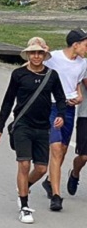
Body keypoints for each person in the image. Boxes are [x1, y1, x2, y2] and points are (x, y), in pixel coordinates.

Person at [0, 37, 67, 224]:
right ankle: (25, 206)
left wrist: (61, 115)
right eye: (32, 52)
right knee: (24, 164)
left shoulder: (52, 75)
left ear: (44, 55)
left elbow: (60, 98)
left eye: (39, 53)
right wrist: (0, 126)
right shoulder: (19, 74)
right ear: (28, 54)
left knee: (41, 168)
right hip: (22, 126)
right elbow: (8, 100)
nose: (36, 56)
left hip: (43, 127)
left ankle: (23, 187)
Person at [39, 28, 87, 211]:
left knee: (64, 149)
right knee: (57, 149)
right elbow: (35, 62)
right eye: (85, 44)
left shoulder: (82, 63)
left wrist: (79, 96)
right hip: (51, 107)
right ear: (75, 44)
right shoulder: (54, 57)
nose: (86, 48)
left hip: (69, 109)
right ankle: (57, 196)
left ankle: (50, 180)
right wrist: (42, 49)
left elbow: (76, 84)